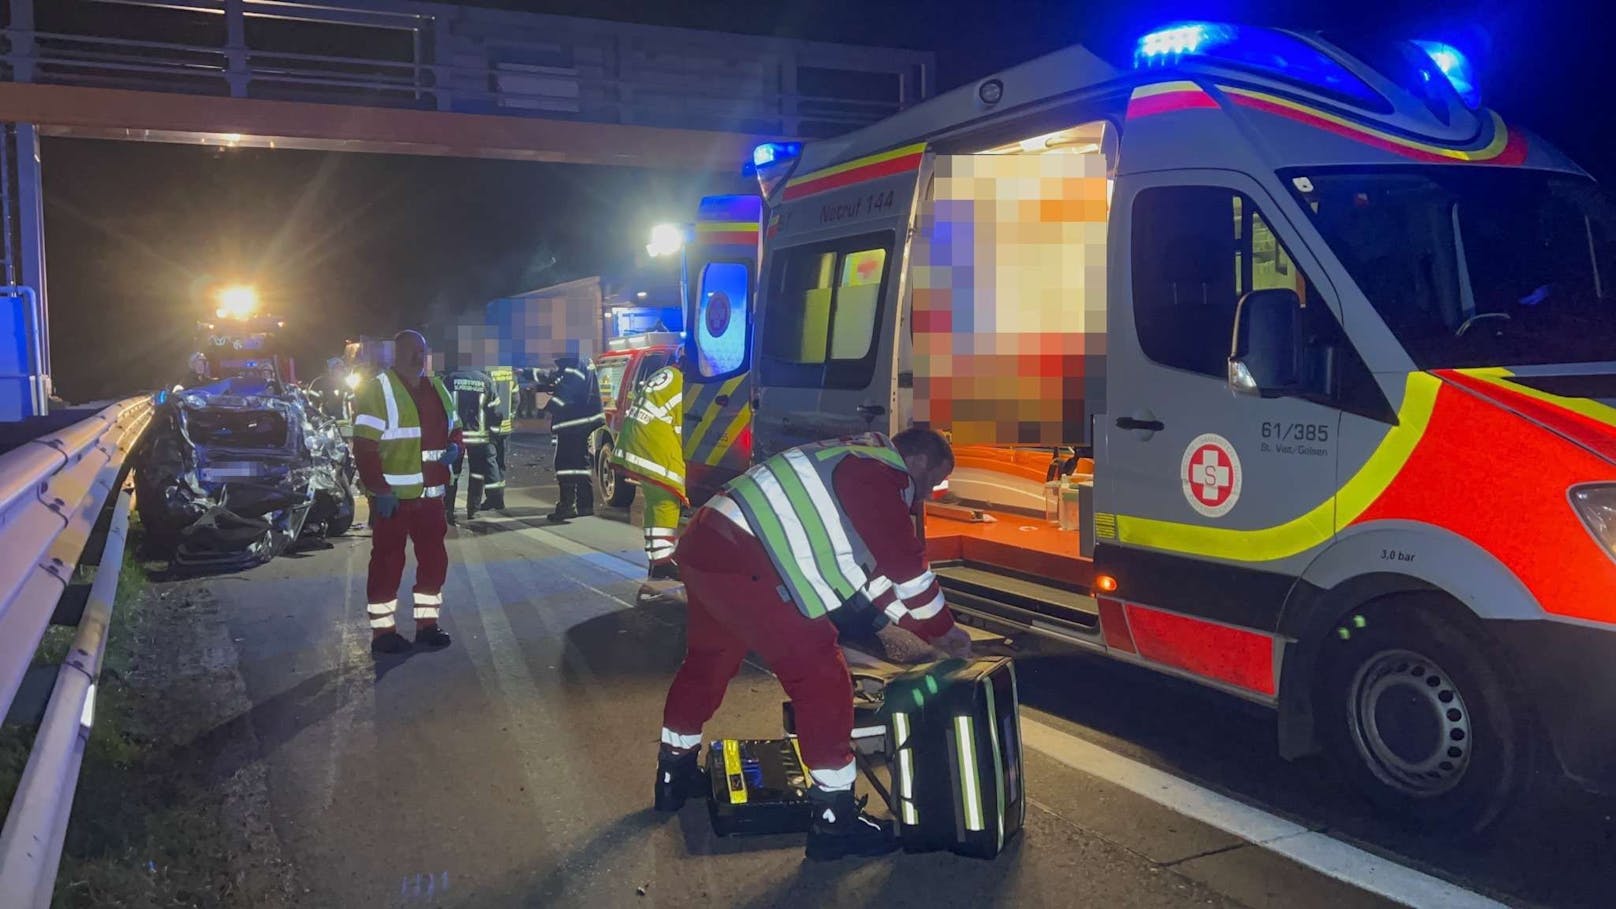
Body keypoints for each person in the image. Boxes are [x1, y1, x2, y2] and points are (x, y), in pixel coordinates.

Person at [653, 428, 972, 860]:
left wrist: (922, 629)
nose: (929, 494)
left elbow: (874, 578)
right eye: (934, 481)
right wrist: (942, 628)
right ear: (917, 461)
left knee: (708, 661)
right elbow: (907, 569)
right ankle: (834, 821)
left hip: (708, 546)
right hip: (749, 562)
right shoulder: (879, 474)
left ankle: (674, 774)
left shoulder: (848, 458)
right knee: (822, 679)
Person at [351, 330, 462, 656]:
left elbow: (455, 429)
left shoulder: (438, 388)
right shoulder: (379, 390)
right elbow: (364, 446)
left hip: (431, 497)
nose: (417, 357)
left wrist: (456, 447)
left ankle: (427, 625)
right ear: (397, 354)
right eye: (411, 351)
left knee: (433, 561)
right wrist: (379, 489)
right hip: (394, 499)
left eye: (421, 351)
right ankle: (383, 632)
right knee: (387, 562)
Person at [610, 357, 684, 580]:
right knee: (666, 501)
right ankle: (662, 562)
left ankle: (656, 558)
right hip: (654, 444)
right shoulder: (684, 383)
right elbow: (683, 424)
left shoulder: (666, 374)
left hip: (636, 440)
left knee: (654, 500)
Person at [541, 356, 604, 523]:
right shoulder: (580, 360)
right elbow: (558, 378)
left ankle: (568, 506)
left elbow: (567, 391)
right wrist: (528, 373)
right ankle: (584, 505)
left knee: (564, 463)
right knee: (579, 462)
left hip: (574, 421)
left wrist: (548, 409)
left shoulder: (576, 363)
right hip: (582, 421)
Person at [445, 364, 502, 525]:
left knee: (452, 475)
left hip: (455, 436)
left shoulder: (450, 379)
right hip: (479, 436)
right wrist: (494, 434)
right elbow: (496, 412)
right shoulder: (486, 381)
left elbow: (441, 406)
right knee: (477, 473)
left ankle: (448, 510)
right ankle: (473, 510)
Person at [483, 365, 517, 512]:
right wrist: (511, 416)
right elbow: (516, 398)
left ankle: (493, 498)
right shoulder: (509, 372)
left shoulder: (486, 371)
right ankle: (499, 499)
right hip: (505, 426)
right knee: (500, 464)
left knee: (490, 464)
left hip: (490, 427)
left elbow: (485, 399)